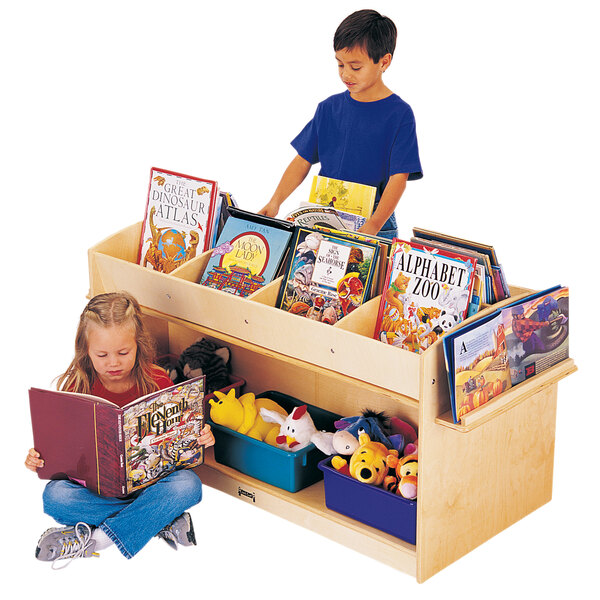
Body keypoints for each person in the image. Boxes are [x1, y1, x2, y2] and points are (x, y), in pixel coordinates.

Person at [24, 291, 215, 567]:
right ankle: (156, 519)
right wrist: (39, 458)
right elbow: (60, 449)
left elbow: (179, 435)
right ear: (85, 350)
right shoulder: (76, 388)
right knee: (55, 498)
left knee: (189, 487)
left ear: (138, 345)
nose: (113, 362)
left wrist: (200, 436)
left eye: (123, 352)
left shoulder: (157, 380)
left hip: (150, 485)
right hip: (96, 491)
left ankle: (98, 539)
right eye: (101, 354)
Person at [258, 9, 423, 239]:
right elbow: (302, 160)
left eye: (355, 67)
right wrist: (275, 201)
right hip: (324, 217)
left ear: (384, 62)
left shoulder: (399, 114)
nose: (346, 74)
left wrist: (374, 224)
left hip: (374, 220)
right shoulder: (328, 108)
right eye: (340, 65)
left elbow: (399, 178)